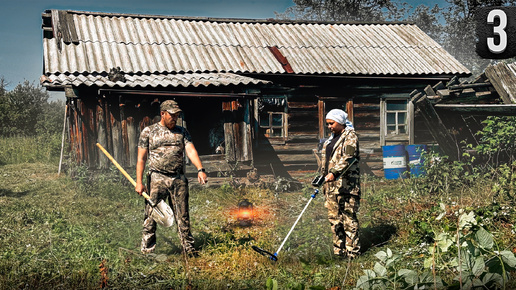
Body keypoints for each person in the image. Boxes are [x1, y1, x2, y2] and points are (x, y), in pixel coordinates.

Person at [135, 99, 208, 256]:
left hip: (178, 179)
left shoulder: (182, 132)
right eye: (172, 115)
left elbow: (191, 151)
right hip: (156, 178)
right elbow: (141, 158)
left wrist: (200, 169)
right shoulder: (149, 132)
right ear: (163, 113)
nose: (175, 118)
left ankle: (188, 249)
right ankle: (147, 251)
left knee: (183, 215)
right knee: (151, 216)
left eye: (177, 115)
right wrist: (139, 182)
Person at [320, 108, 361, 259]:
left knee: (348, 219)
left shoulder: (351, 137)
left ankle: (352, 253)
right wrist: (322, 177)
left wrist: (334, 173)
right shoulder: (331, 139)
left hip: (346, 186)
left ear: (341, 122)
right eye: (327, 124)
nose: (329, 126)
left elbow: (348, 158)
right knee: (334, 220)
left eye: (332, 123)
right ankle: (339, 252)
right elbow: (327, 162)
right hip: (330, 187)